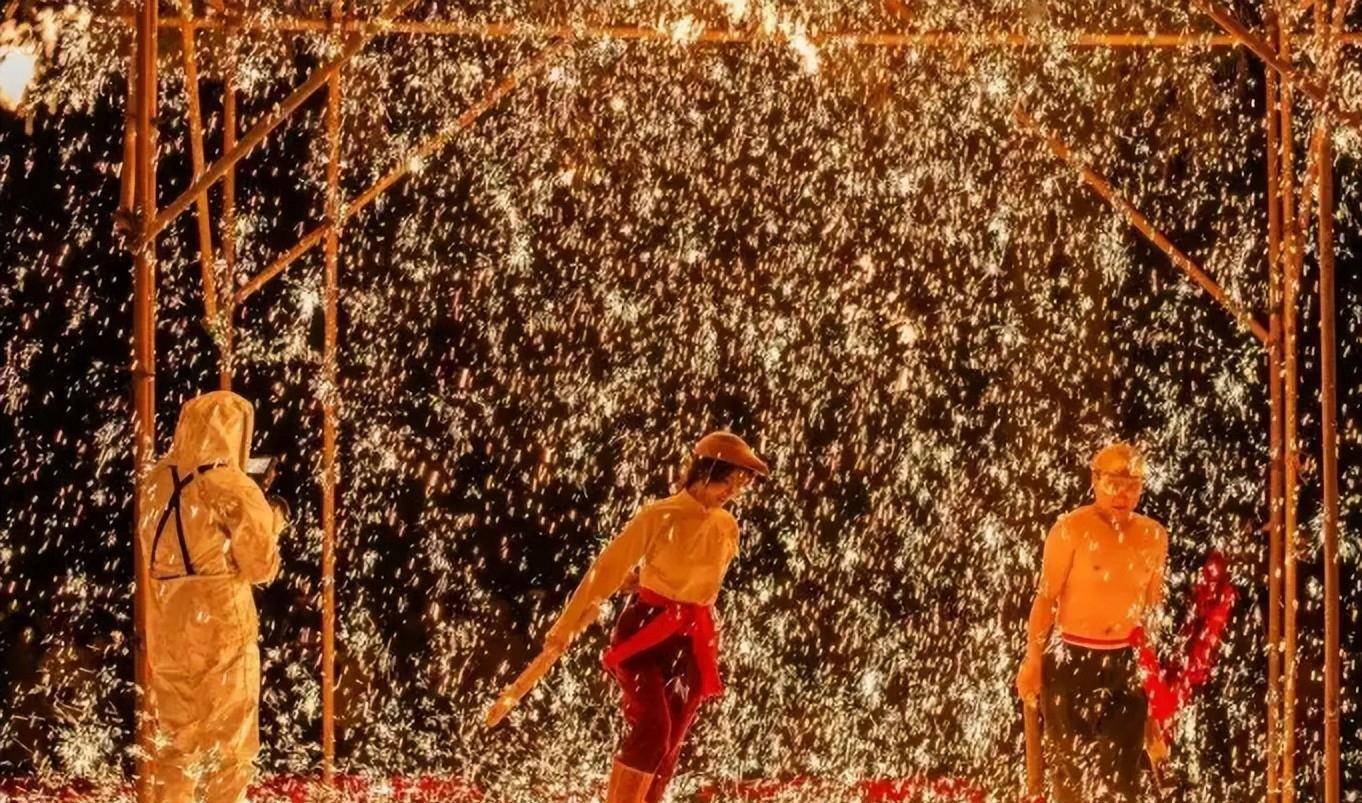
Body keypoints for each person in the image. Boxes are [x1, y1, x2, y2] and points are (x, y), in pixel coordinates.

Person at [542, 431, 769, 803]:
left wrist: (646, 579)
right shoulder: (659, 514)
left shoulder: (727, 526)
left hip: (692, 637)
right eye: (727, 482)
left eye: (739, 487)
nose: (731, 493)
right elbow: (606, 569)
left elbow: (699, 581)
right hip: (646, 631)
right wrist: (564, 629)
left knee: (669, 747)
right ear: (705, 472)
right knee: (653, 729)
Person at [138, 391, 285, 803]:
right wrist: (273, 519)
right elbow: (260, 566)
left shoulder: (155, 481)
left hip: (167, 618)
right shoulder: (232, 484)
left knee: (175, 741)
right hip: (220, 617)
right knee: (230, 740)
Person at [1015, 442, 1168, 803]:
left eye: (1132, 485)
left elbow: (1152, 610)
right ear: (1095, 480)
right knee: (1069, 771)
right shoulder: (1071, 529)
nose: (1122, 494)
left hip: (1125, 659)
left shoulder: (1154, 535)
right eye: (1113, 483)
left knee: (1125, 778)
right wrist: (1032, 660)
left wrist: (1153, 678)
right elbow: (1045, 599)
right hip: (1072, 656)